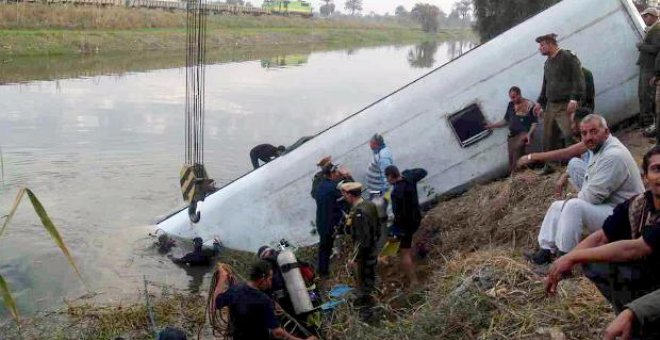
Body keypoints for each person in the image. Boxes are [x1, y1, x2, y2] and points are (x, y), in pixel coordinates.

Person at [546, 146, 660, 338]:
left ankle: (634, 316)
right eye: (657, 169)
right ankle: (631, 319)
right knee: (594, 262)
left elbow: (635, 249)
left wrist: (573, 257)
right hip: (652, 277)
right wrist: (565, 261)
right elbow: (602, 236)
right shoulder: (638, 205)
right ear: (645, 177)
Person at [526, 114, 644, 265]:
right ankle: (545, 252)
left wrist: (571, 198)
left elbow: (591, 198)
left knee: (573, 206)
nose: (588, 137)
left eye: (594, 131)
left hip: (627, 217)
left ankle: (565, 259)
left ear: (606, 132)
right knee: (557, 206)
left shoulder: (613, 155)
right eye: (584, 133)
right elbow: (573, 161)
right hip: (611, 207)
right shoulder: (600, 147)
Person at [215, 260, 316, 340]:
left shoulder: (235, 290)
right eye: (270, 279)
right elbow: (278, 333)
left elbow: (216, 302)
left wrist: (221, 278)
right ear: (262, 278)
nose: (271, 283)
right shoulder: (263, 300)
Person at [533, 33, 586, 174]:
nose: (540, 48)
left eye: (542, 45)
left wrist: (574, 99)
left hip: (565, 105)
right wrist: (539, 102)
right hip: (551, 105)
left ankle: (578, 166)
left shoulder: (567, 57)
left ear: (551, 44)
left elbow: (578, 79)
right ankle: (549, 166)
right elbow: (546, 85)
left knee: (570, 135)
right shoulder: (547, 63)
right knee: (548, 137)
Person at [517, 107, 593, 198]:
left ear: (581, 124)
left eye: (573, 123)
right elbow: (582, 161)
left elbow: (566, 152)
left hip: (602, 189)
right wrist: (564, 177)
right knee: (573, 168)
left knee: (573, 163)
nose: (571, 126)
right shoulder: (586, 139)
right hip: (595, 179)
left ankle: (585, 197)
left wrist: (531, 157)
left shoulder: (592, 140)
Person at [341, 181, 380, 322]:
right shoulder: (369, 204)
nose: (344, 197)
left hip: (365, 254)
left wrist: (354, 258)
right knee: (370, 278)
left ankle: (369, 314)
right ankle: (374, 306)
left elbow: (362, 240)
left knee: (364, 283)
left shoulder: (359, 213)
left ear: (350, 195)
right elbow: (378, 228)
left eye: (344, 194)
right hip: (373, 249)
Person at [385, 165, 427, 287]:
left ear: (390, 176)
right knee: (414, 234)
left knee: (405, 253)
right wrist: (408, 173)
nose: (387, 180)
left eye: (387, 178)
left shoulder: (396, 192)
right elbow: (423, 171)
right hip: (416, 219)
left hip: (405, 226)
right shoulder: (409, 176)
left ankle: (414, 282)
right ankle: (421, 252)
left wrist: (394, 229)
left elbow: (397, 215)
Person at [484, 86, 538, 174]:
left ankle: (518, 176)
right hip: (512, 136)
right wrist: (492, 125)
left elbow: (534, 123)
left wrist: (529, 134)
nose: (512, 99)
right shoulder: (510, 105)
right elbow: (505, 120)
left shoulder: (529, 105)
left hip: (522, 134)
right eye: (511, 97)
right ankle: (516, 176)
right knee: (511, 159)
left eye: (514, 97)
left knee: (517, 157)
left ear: (519, 94)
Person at [314, 164, 345, 277]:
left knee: (324, 247)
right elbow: (346, 198)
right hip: (330, 223)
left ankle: (322, 271)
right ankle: (323, 272)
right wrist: (347, 176)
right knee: (327, 246)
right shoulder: (333, 187)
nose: (338, 174)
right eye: (336, 172)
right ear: (331, 174)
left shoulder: (320, 186)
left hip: (321, 222)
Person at [638, 8, 660, 132]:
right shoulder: (652, 29)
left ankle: (650, 125)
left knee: (647, 95)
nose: (644, 19)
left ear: (653, 16)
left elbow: (656, 49)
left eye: (646, 16)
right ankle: (647, 123)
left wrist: (641, 46)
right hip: (647, 67)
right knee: (643, 94)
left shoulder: (657, 29)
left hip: (651, 68)